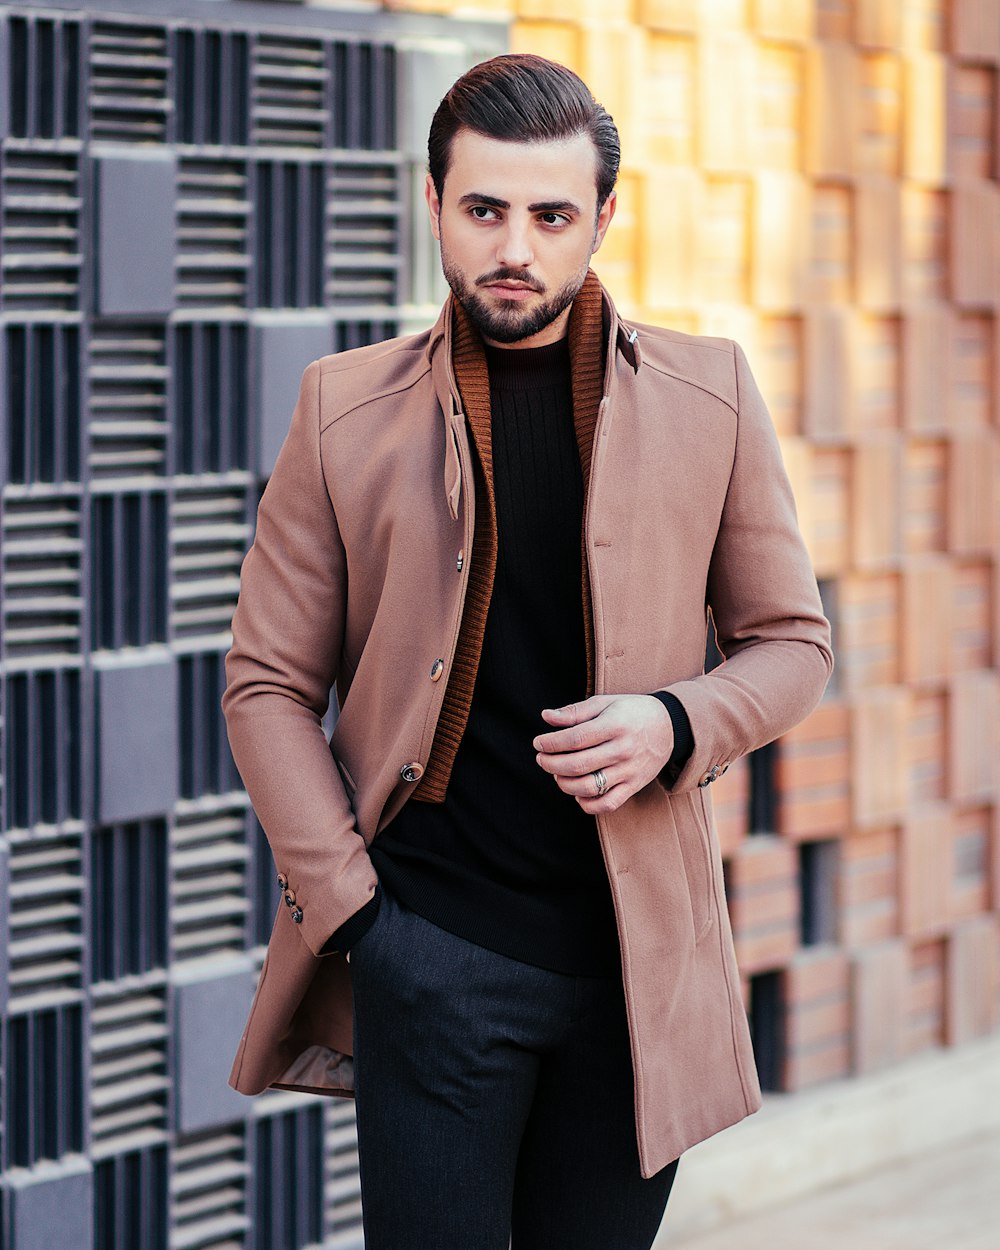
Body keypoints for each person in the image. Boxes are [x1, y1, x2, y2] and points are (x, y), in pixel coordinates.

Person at [223, 53, 833, 1250]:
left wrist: (673, 721)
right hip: (430, 954)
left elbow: (791, 643)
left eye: (551, 214)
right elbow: (266, 683)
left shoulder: (711, 396)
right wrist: (358, 923)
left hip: (635, 978)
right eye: (484, 209)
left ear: (604, 216)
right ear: (435, 204)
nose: (516, 246)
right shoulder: (338, 410)